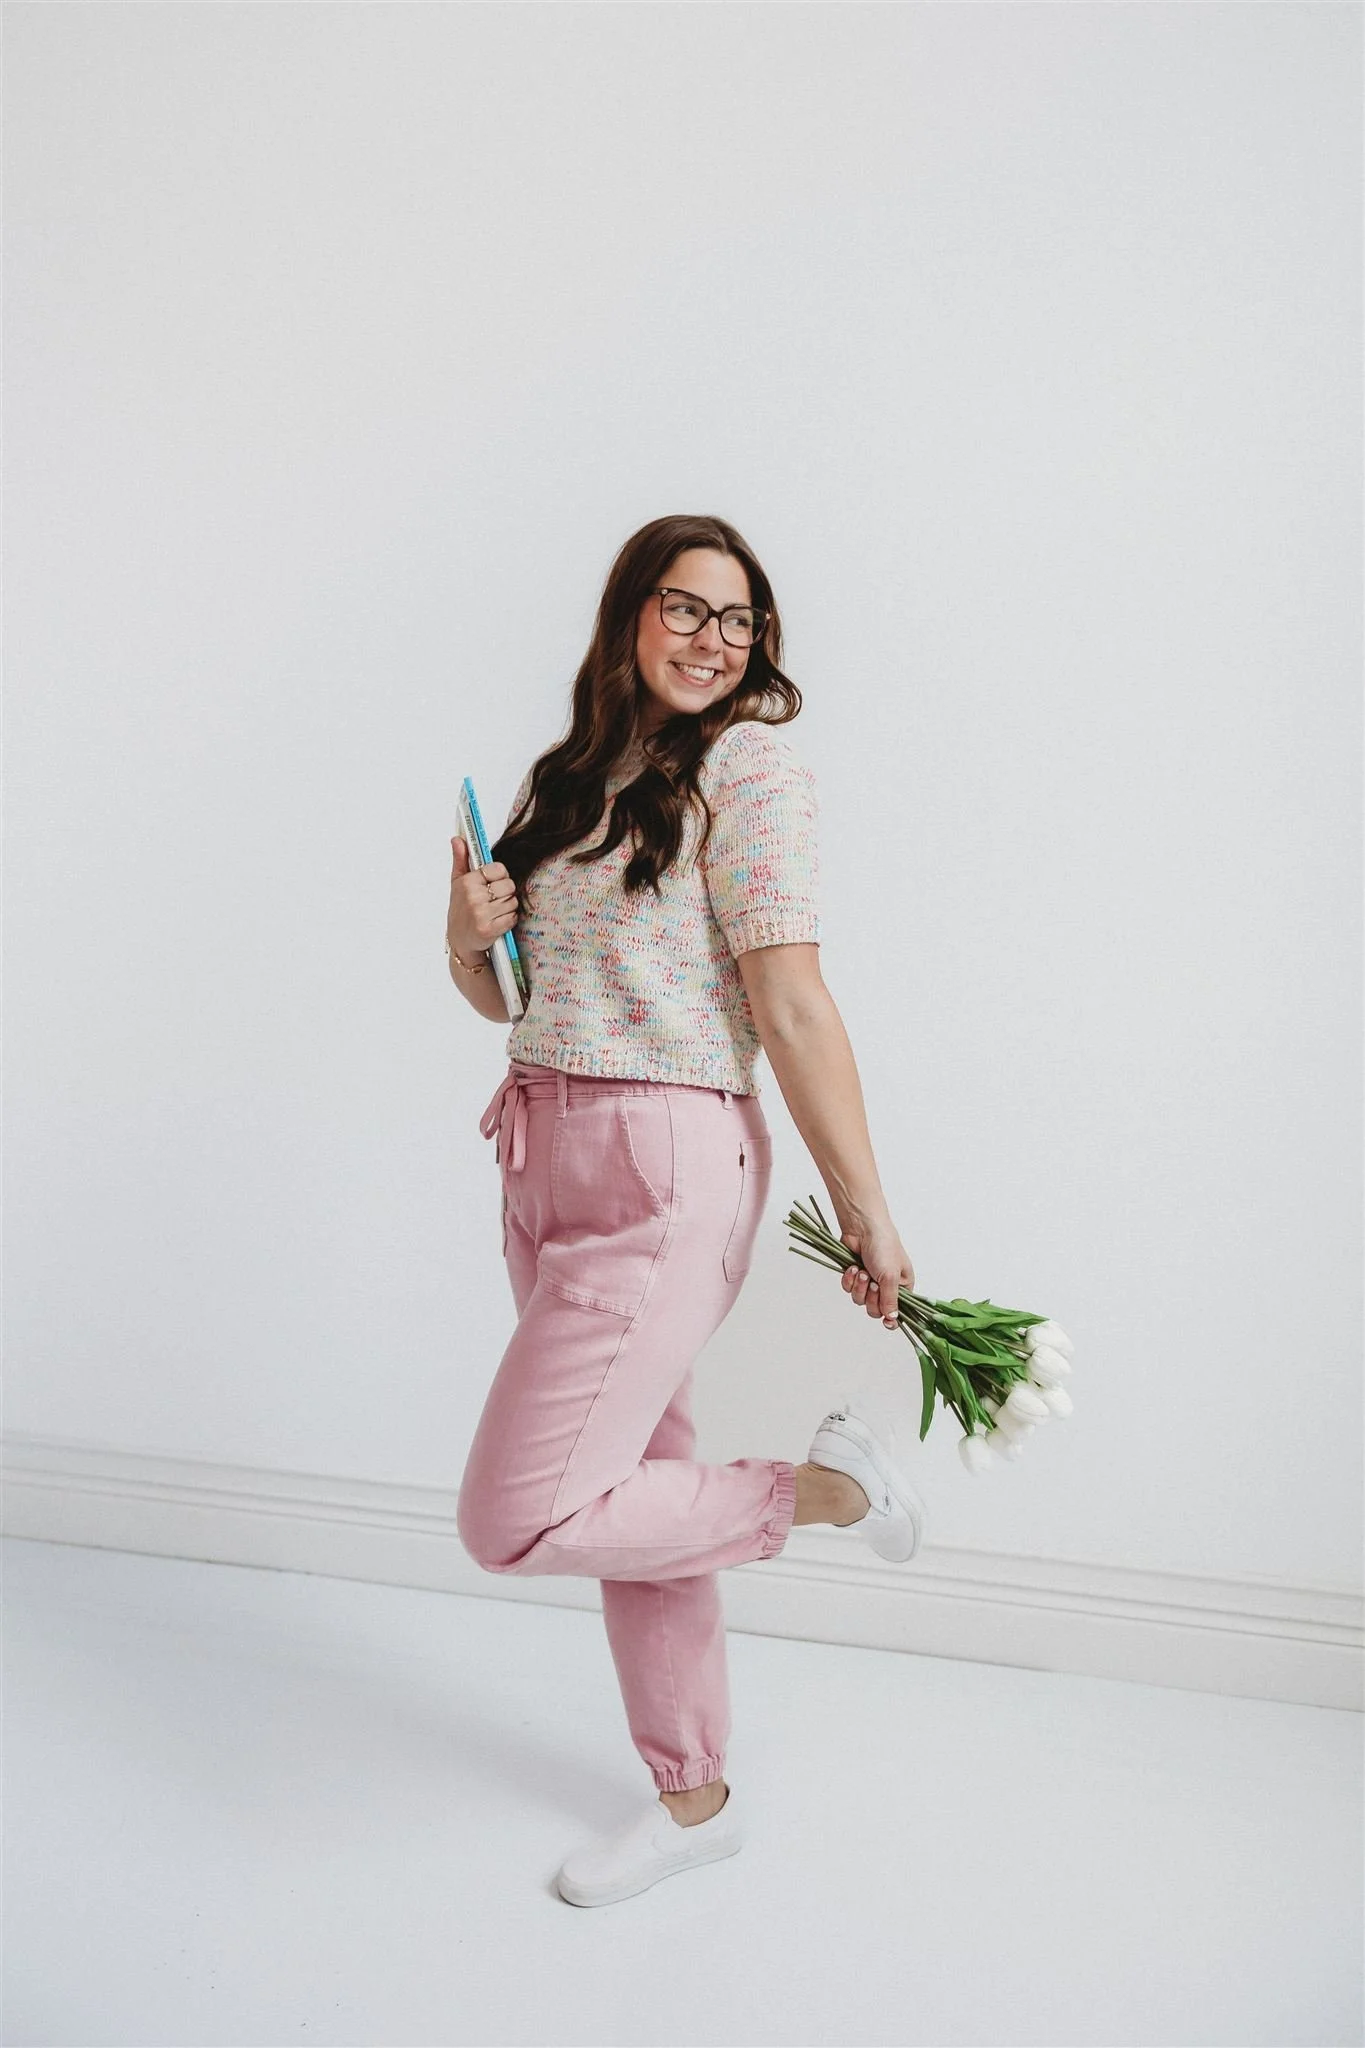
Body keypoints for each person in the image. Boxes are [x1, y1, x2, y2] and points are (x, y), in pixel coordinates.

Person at [445, 512, 927, 1908]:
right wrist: (469, 940)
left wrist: (867, 1209)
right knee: (630, 1485)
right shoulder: (574, 774)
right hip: (542, 1156)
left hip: (663, 1169)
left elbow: (787, 998)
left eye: (739, 620)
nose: (714, 641)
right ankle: (694, 1795)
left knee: (520, 1513)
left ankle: (836, 1489)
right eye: (686, 609)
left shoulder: (752, 770)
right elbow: (512, 998)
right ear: (630, 617)